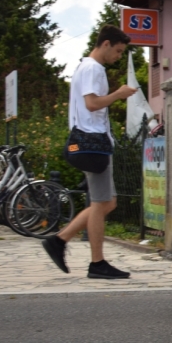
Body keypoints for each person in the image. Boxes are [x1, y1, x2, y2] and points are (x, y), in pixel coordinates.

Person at [42, 26, 137, 279]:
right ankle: (96, 263)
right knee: (101, 204)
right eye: (118, 51)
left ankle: (60, 240)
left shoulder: (85, 67)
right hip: (93, 143)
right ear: (105, 44)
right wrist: (119, 94)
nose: (118, 56)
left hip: (89, 141)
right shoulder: (94, 68)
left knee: (107, 202)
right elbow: (92, 103)